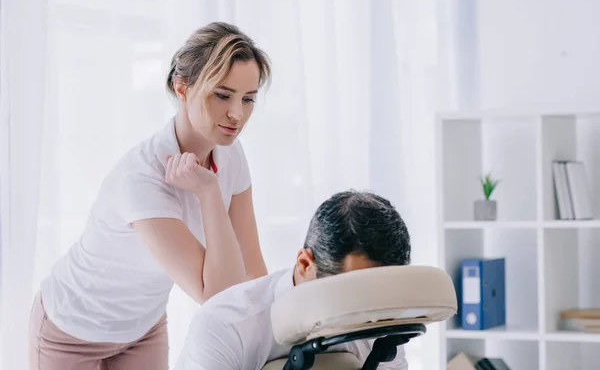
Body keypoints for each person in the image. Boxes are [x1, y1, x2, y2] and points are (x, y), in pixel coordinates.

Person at [28, 22, 272, 370]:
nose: (237, 114)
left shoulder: (231, 155)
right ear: (182, 87)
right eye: (222, 94)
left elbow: (252, 273)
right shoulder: (142, 178)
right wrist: (209, 193)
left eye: (248, 99)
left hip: (143, 329)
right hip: (70, 330)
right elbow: (216, 297)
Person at [175, 190, 411, 370]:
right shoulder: (226, 325)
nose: (365, 311)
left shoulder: (379, 326)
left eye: (377, 296)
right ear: (305, 264)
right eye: (351, 293)